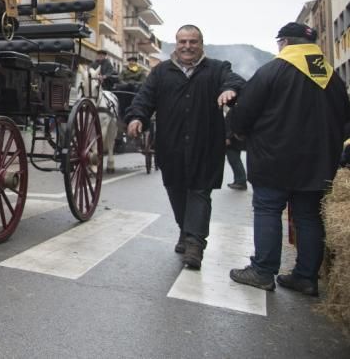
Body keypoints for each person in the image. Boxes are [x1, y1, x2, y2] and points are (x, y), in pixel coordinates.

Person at [228, 22, 350, 295]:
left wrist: (238, 132)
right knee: (308, 216)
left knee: (268, 209)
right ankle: (306, 277)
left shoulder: (272, 70)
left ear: (284, 43)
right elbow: (346, 119)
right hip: (318, 161)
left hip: (274, 158)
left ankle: (262, 271)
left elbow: (244, 113)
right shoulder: (331, 76)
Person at [126, 24, 245, 269]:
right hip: (171, 145)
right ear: (176, 44)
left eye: (193, 41)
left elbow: (234, 80)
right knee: (176, 190)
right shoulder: (161, 73)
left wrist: (230, 90)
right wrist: (137, 117)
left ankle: (195, 244)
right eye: (182, 42)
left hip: (206, 145)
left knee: (200, 192)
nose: (187, 46)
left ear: (201, 44)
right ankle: (185, 230)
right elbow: (144, 98)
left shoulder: (217, 68)